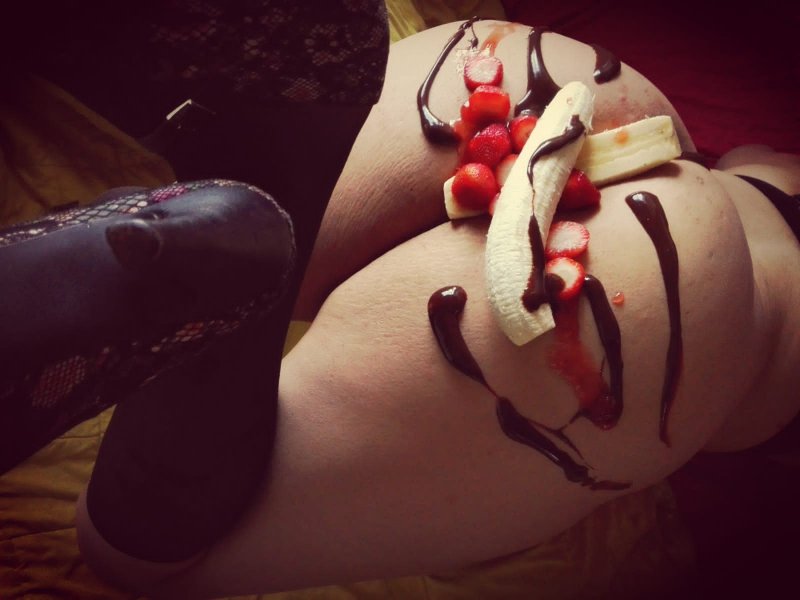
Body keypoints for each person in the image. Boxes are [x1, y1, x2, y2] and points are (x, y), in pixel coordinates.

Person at [65, 18, 800, 599]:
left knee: (279, 191)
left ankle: (234, 169)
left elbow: (753, 162)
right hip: (676, 298)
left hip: (577, 85)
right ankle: (217, 246)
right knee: (138, 557)